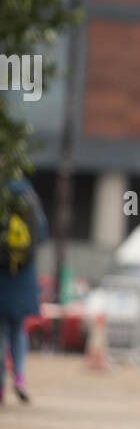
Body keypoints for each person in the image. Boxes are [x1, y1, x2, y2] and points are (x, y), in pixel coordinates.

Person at [0, 173, 47, 405]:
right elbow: (42, 233)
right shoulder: (29, 196)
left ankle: (0, 386)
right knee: (18, 329)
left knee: (0, 332)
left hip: (1, 272)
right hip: (24, 273)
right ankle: (19, 376)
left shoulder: (3, 194)